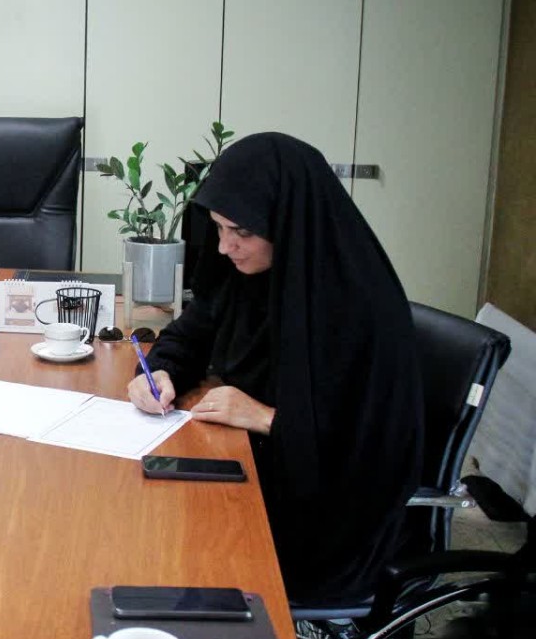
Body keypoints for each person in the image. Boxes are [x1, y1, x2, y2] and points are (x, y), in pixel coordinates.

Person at [127, 132, 424, 605]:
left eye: (242, 232)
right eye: (219, 228)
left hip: (330, 518)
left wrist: (268, 418)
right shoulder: (249, 275)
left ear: (287, 223)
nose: (224, 247)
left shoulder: (359, 307)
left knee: (178, 557)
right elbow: (191, 333)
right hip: (260, 467)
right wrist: (159, 372)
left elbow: (376, 448)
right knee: (145, 522)